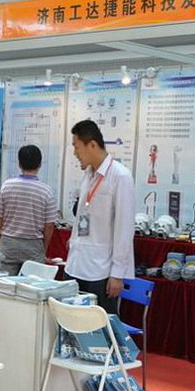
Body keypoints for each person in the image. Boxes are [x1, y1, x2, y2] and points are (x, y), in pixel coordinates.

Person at [65, 119, 134, 314]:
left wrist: (117, 273)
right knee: (71, 322)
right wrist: (73, 241)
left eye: (76, 146)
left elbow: (124, 228)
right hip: (76, 265)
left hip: (100, 271)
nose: (75, 153)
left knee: (99, 326)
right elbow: (82, 214)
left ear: (92, 145)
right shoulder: (88, 174)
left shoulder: (120, 176)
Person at [0, 144, 57, 275]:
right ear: (40, 164)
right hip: (33, 244)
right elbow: (49, 225)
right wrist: (43, 248)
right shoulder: (46, 191)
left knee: (4, 283)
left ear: (19, 164)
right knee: (31, 284)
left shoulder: (7, 186)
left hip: (8, 243)